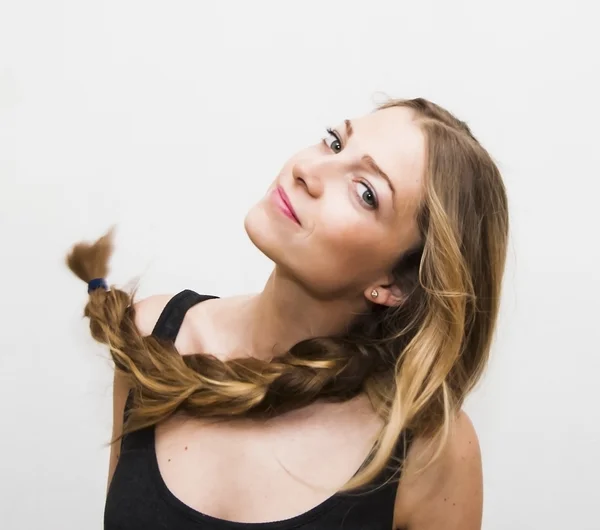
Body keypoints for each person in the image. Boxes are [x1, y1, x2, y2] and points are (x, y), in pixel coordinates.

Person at [67, 97, 509, 529]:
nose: (308, 170)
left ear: (396, 285)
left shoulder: (430, 448)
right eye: (334, 143)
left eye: (365, 192)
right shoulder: (153, 336)